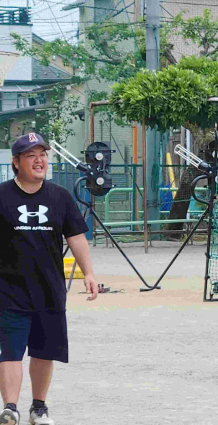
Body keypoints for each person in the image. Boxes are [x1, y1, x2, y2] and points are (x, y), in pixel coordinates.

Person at [0, 133, 98, 425]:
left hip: (49, 289)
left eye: (42, 154)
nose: (39, 160)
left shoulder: (59, 196)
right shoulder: (2, 196)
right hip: (8, 290)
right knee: (11, 351)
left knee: (44, 351)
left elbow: (77, 237)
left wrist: (89, 272)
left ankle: (38, 407)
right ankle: (10, 407)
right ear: (16, 163)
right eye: (31, 156)